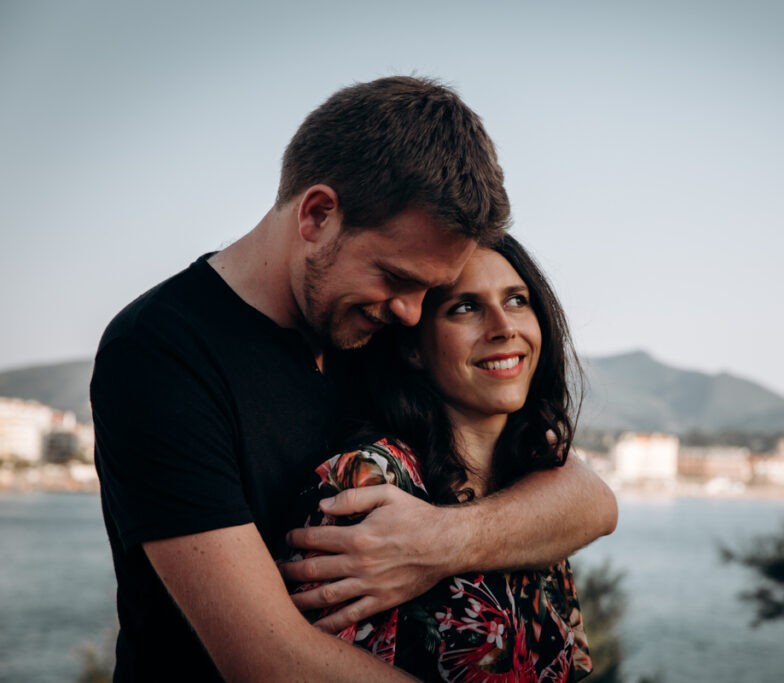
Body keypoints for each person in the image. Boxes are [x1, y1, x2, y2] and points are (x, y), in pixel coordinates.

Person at [91, 76, 617, 682]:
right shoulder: (162, 351)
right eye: (396, 278)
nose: (411, 313)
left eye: (429, 292)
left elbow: (589, 500)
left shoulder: (371, 327)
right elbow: (267, 660)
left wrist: (436, 543)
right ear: (317, 214)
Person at [289, 236, 593, 681]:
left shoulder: (537, 486)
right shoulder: (368, 482)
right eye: (465, 308)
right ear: (413, 348)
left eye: (516, 300)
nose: (503, 326)